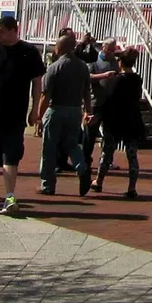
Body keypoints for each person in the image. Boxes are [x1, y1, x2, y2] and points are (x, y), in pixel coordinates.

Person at [0, 14, 45, 216]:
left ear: (14, 30)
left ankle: (10, 196)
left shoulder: (29, 52)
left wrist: (35, 109)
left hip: (15, 114)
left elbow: (37, 82)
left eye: (2, 31)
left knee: (11, 155)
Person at [35, 32, 92, 196]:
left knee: (49, 147)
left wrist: (39, 116)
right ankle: (81, 167)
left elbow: (46, 95)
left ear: (58, 48)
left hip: (56, 109)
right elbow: (87, 92)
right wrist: (88, 111)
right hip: (75, 110)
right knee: (71, 144)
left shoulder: (54, 68)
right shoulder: (82, 67)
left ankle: (47, 184)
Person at [94, 48, 144, 199]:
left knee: (107, 152)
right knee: (132, 154)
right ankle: (132, 187)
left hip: (115, 120)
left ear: (120, 62)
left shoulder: (116, 80)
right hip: (132, 119)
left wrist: (98, 115)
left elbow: (108, 100)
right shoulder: (137, 79)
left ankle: (99, 181)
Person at [83, 38, 121, 165]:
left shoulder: (115, 61)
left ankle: (107, 160)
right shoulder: (94, 59)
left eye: (113, 50)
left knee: (109, 133)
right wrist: (104, 75)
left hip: (110, 102)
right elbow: (87, 77)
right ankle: (85, 160)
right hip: (96, 101)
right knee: (90, 133)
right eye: (109, 50)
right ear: (103, 47)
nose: (111, 52)